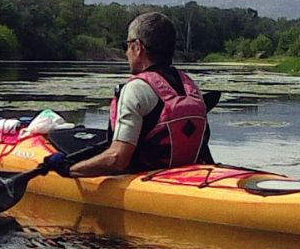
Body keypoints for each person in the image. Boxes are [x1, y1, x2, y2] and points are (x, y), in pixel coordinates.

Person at [51, 11, 209, 177]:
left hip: (146, 179)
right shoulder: (189, 86)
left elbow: (117, 160)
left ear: (138, 47)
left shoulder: (136, 89)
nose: (126, 52)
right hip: (189, 175)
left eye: (126, 46)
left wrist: (69, 170)